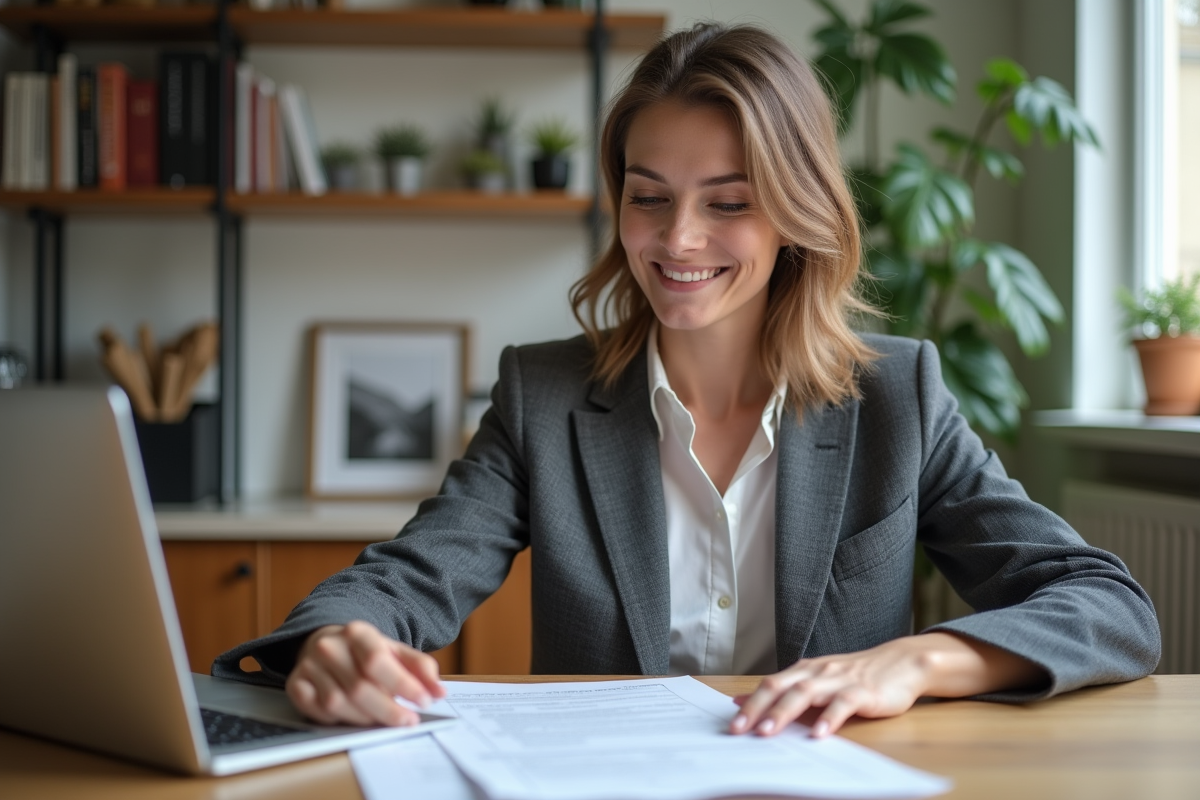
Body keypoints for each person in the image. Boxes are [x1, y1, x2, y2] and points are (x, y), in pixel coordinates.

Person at [214, 22, 1159, 739]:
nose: (677, 241)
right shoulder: (543, 397)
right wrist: (332, 640)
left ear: (796, 213)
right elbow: (409, 578)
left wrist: (914, 662)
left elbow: (1106, 606)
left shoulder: (897, 396)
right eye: (649, 197)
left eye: (729, 204)